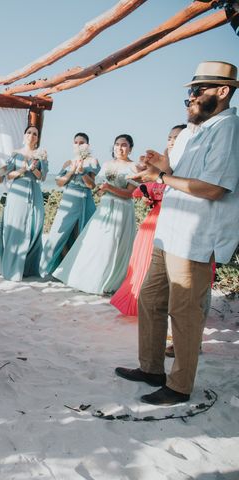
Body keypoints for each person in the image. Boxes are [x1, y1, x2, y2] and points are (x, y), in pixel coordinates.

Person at [116, 61, 239, 406]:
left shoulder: (228, 129)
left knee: (183, 312)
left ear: (223, 91)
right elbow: (174, 173)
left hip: (195, 236)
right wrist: (156, 167)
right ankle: (151, 369)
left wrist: (161, 178)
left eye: (198, 90)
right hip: (168, 229)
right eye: (189, 91)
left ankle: (180, 385)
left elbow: (215, 188)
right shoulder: (189, 131)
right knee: (150, 299)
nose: (191, 97)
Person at [110, 125, 186, 316]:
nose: (172, 141)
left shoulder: (188, 163)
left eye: (177, 137)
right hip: (153, 221)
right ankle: (141, 303)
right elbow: (146, 189)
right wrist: (148, 194)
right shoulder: (162, 163)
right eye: (170, 137)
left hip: (177, 220)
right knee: (144, 262)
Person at [53, 134, 137, 294]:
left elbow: (129, 194)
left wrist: (109, 188)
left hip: (122, 209)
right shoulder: (106, 165)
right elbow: (97, 190)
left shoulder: (134, 167)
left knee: (116, 244)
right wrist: (82, 173)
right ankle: (90, 278)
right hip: (105, 207)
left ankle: (111, 281)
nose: (120, 148)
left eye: (124, 145)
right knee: (96, 243)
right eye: (117, 144)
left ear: (130, 148)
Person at [40, 132, 100, 276]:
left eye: (82, 142)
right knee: (59, 235)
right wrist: (72, 171)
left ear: (87, 145)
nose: (78, 145)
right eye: (76, 142)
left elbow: (92, 185)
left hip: (85, 199)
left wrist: (82, 172)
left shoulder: (93, 161)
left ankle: (78, 270)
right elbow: (60, 182)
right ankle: (61, 268)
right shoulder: (68, 162)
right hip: (68, 199)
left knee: (83, 235)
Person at [0, 125, 48, 280]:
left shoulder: (41, 154)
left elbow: (42, 177)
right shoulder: (16, 153)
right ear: (24, 135)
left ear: (37, 138)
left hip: (34, 192)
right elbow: (9, 175)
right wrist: (23, 169)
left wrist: (33, 169)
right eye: (29, 132)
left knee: (35, 226)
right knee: (16, 226)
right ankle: (12, 268)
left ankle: (27, 268)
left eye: (35, 133)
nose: (31, 135)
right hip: (17, 193)